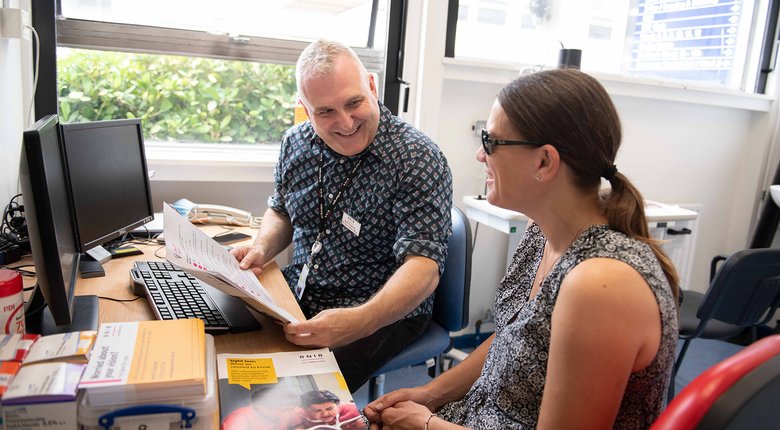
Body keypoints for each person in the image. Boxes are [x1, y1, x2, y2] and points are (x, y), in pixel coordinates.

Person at [364, 69, 680, 428]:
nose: (480, 155)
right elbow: (513, 341)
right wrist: (430, 394)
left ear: (545, 162)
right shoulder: (541, 234)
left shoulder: (601, 284)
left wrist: (426, 424)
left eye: (491, 141)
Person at [231, 39, 452, 391]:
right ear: (305, 108)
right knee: (230, 354)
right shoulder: (296, 143)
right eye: (326, 112)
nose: (346, 122)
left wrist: (358, 322)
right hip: (304, 291)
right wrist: (261, 248)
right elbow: (281, 211)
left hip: (383, 310)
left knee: (296, 395)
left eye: (354, 103)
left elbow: (423, 269)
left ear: (372, 86)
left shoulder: (416, 157)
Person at [221, 386, 301, 430]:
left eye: (292, 409)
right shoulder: (239, 419)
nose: (292, 412)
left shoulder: (285, 415)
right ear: (263, 407)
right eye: (286, 410)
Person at [295, 390, 366, 430]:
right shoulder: (299, 414)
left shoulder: (353, 408)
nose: (325, 414)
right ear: (306, 410)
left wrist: (365, 423)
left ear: (338, 405)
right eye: (317, 411)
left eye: (330, 408)